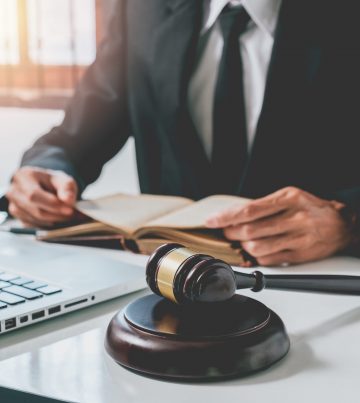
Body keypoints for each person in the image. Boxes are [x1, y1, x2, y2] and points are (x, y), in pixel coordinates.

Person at [4, 0, 360, 266]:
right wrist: (45, 172)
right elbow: (71, 140)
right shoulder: (140, 9)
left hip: (323, 288)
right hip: (166, 288)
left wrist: (348, 221)